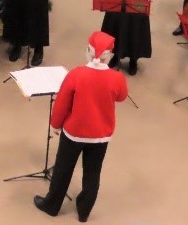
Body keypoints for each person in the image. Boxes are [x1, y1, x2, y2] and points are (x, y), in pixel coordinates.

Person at [33, 31, 128, 223]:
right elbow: (122, 96)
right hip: (101, 135)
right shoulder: (117, 78)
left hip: (74, 133)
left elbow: (62, 103)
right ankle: (84, 211)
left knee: (63, 169)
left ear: (87, 51)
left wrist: (55, 125)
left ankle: (52, 205)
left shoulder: (76, 74)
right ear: (109, 56)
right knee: (93, 172)